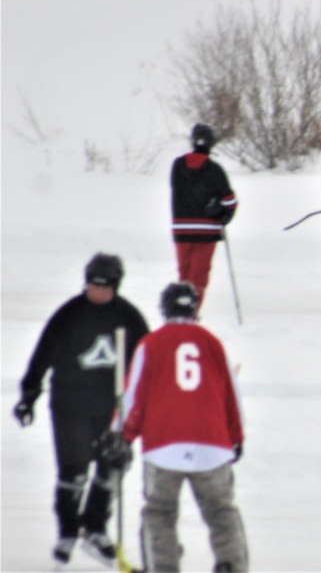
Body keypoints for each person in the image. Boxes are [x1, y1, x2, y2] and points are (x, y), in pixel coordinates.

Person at [12, 253, 149, 566]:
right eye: (91, 286)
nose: (96, 292)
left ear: (116, 286)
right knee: (73, 472)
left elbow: (147, 360)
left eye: (103, 287)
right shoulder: (70, 314)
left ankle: (96, 528)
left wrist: (149, 401)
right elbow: (43, 354)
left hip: (111, 409)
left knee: (109, 468)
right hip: (69, 406)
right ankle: (68, 531)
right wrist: (29, 394)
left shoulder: (128, 317)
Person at [113, 282, 248, 573]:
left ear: (165, 310)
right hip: (211, 447)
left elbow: (134, 397)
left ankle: (164, 566)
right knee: (221, 511)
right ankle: (232, 566)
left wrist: (121, 436)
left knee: (160, 512)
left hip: (164, 448)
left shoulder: (150, 344)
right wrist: (236, 437)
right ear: (194, 309)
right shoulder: (213, 343)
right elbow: (231, 396)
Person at [170, 123, 238, 311]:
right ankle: (192, 313)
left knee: (184, 274)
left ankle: (179, 313)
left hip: (181, 231)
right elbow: (230, 201)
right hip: (206, 231)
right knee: (198, 277)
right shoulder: (215, 169)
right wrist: (225, 214)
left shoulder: (177, 166)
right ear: (211, 144)